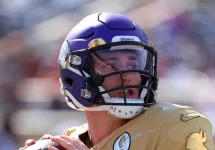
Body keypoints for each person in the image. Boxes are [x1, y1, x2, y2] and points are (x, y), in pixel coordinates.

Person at [20, 12, 215, 150]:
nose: (128, 74)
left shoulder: (176, 125)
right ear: (77, 71)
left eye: (133, 63)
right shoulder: (68, 139)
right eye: (111, 64)